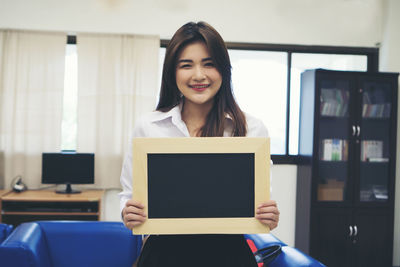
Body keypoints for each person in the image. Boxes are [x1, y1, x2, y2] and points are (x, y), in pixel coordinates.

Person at [119, 21, 280, 267]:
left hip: (229, 255)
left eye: (209, 64)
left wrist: (268, 216)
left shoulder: (250, 129)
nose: (198, 75)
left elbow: (259, 204)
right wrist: (127, 213)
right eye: (186, 65)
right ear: (173, 73)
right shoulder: (149, 127)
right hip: (163, 255)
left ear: (224, 70)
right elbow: (129, 195)